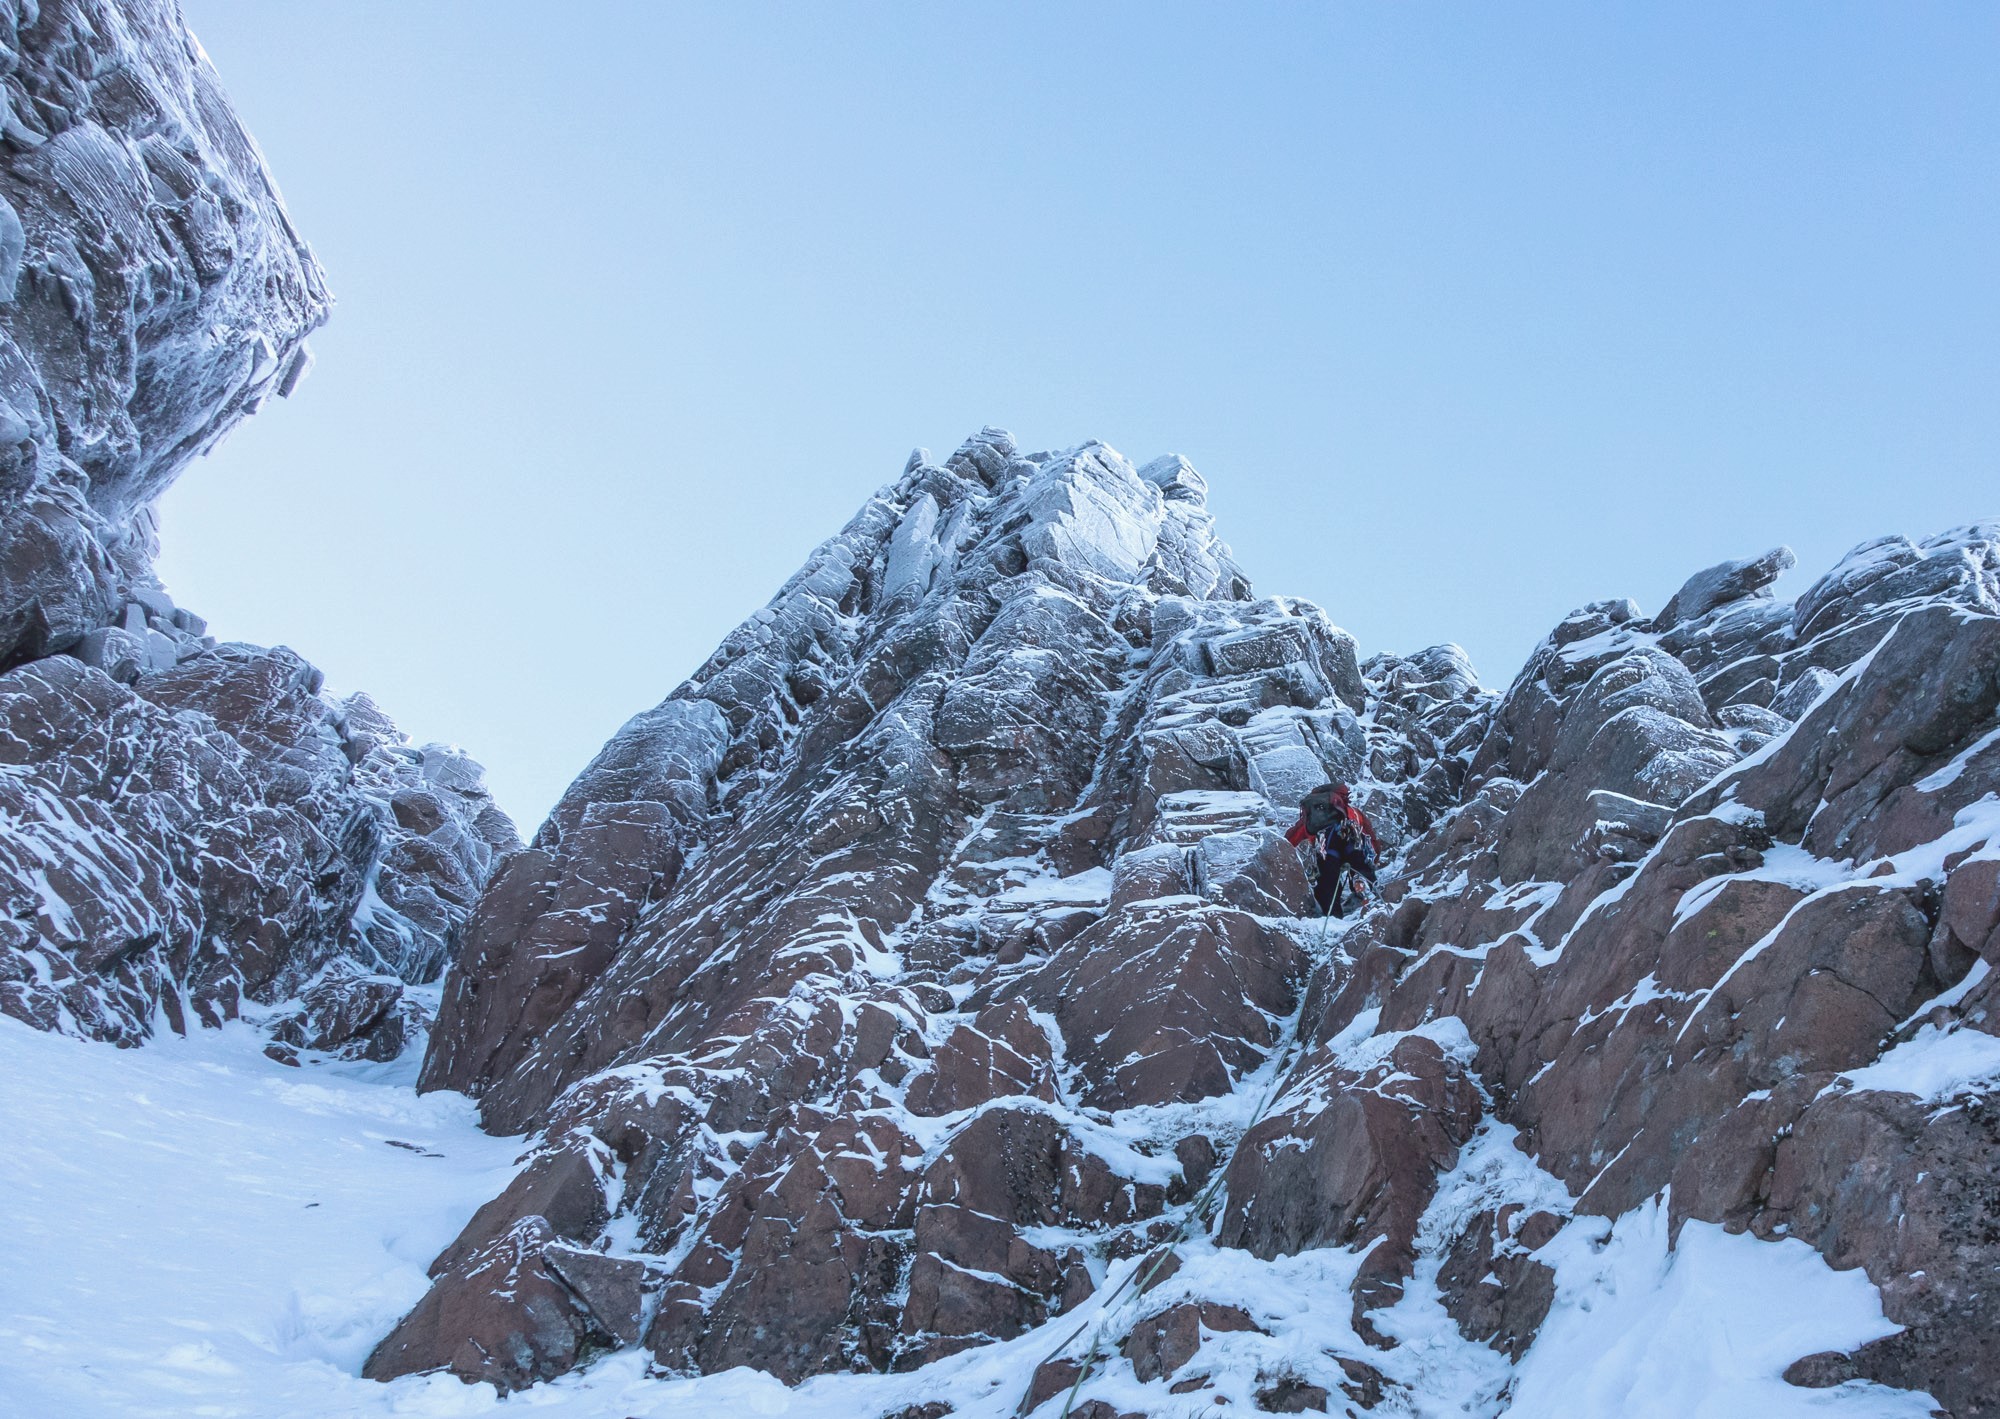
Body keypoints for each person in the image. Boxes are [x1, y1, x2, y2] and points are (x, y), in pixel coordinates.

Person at [1285, 781, 1379, 918]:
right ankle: (1369, 895)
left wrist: (1282, 849)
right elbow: (1371, 838)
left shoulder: (1314, 816)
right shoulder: (1354, 813)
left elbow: (1294, 836)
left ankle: (1332, 916)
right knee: (1359, 863)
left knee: (1327, 882)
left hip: (1327, 849)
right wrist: (1375, 860)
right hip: (1352, 846)